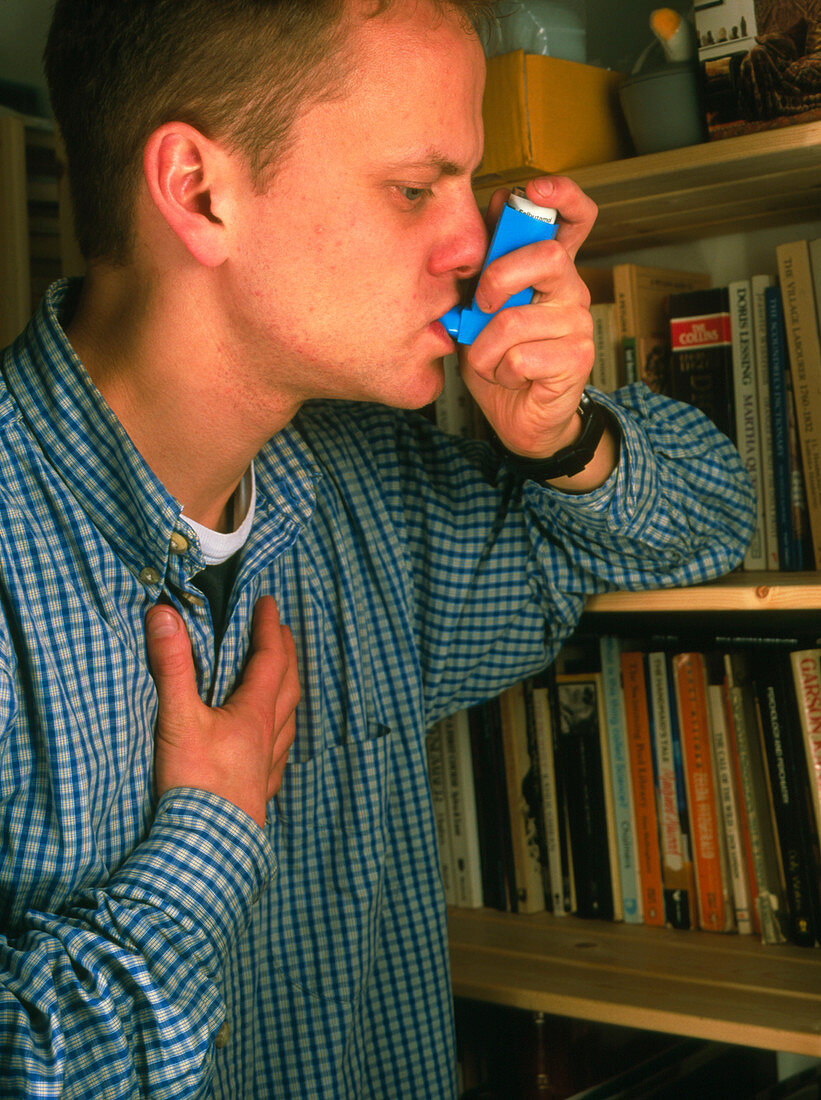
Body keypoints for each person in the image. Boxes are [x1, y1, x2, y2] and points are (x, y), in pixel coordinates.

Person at [0, 0, 755, 1097]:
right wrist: (205, 840)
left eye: (470, 185)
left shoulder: (372, 496)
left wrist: (560, 437)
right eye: (415, 188)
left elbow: (699, 527)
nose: (473, 245)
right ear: (198, 192)